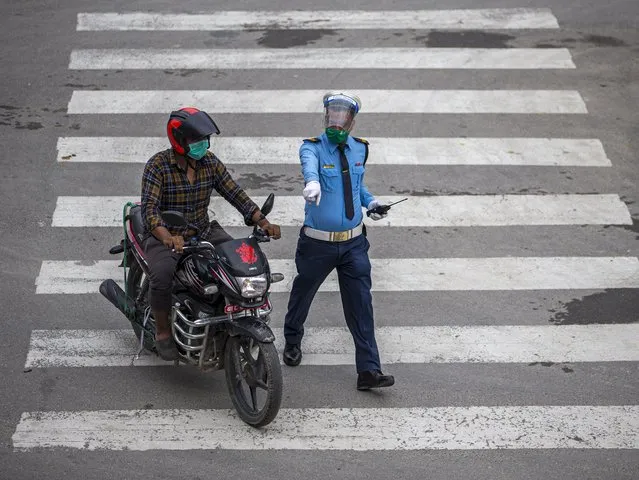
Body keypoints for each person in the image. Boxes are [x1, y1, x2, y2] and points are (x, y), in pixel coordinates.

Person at [141, 106, 281, 360]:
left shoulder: (210, 163)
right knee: (161, 277)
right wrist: (167, 237)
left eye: (205, 139)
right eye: (196, 140)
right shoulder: (158, 166)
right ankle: (162, 332)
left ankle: (226, 317)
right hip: (168, 236)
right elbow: (149, 211)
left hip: (203, 230)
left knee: (237, 264)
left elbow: (234, 193)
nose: (202, 144)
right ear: (180, 141)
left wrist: (262, 221)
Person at [282, 91, 394, 390]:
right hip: (317, 243)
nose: (337, 122)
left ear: (352, 122)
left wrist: (371, 204)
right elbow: (309, 169)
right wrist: (313, 182)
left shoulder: (360, 149)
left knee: (361, 305)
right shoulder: (313, 148)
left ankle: (368, 370)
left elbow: (357, 185)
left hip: (355, 243)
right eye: (332, 115)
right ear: (326, 115)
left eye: (343, 118)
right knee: (303, 294)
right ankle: (292, 338)